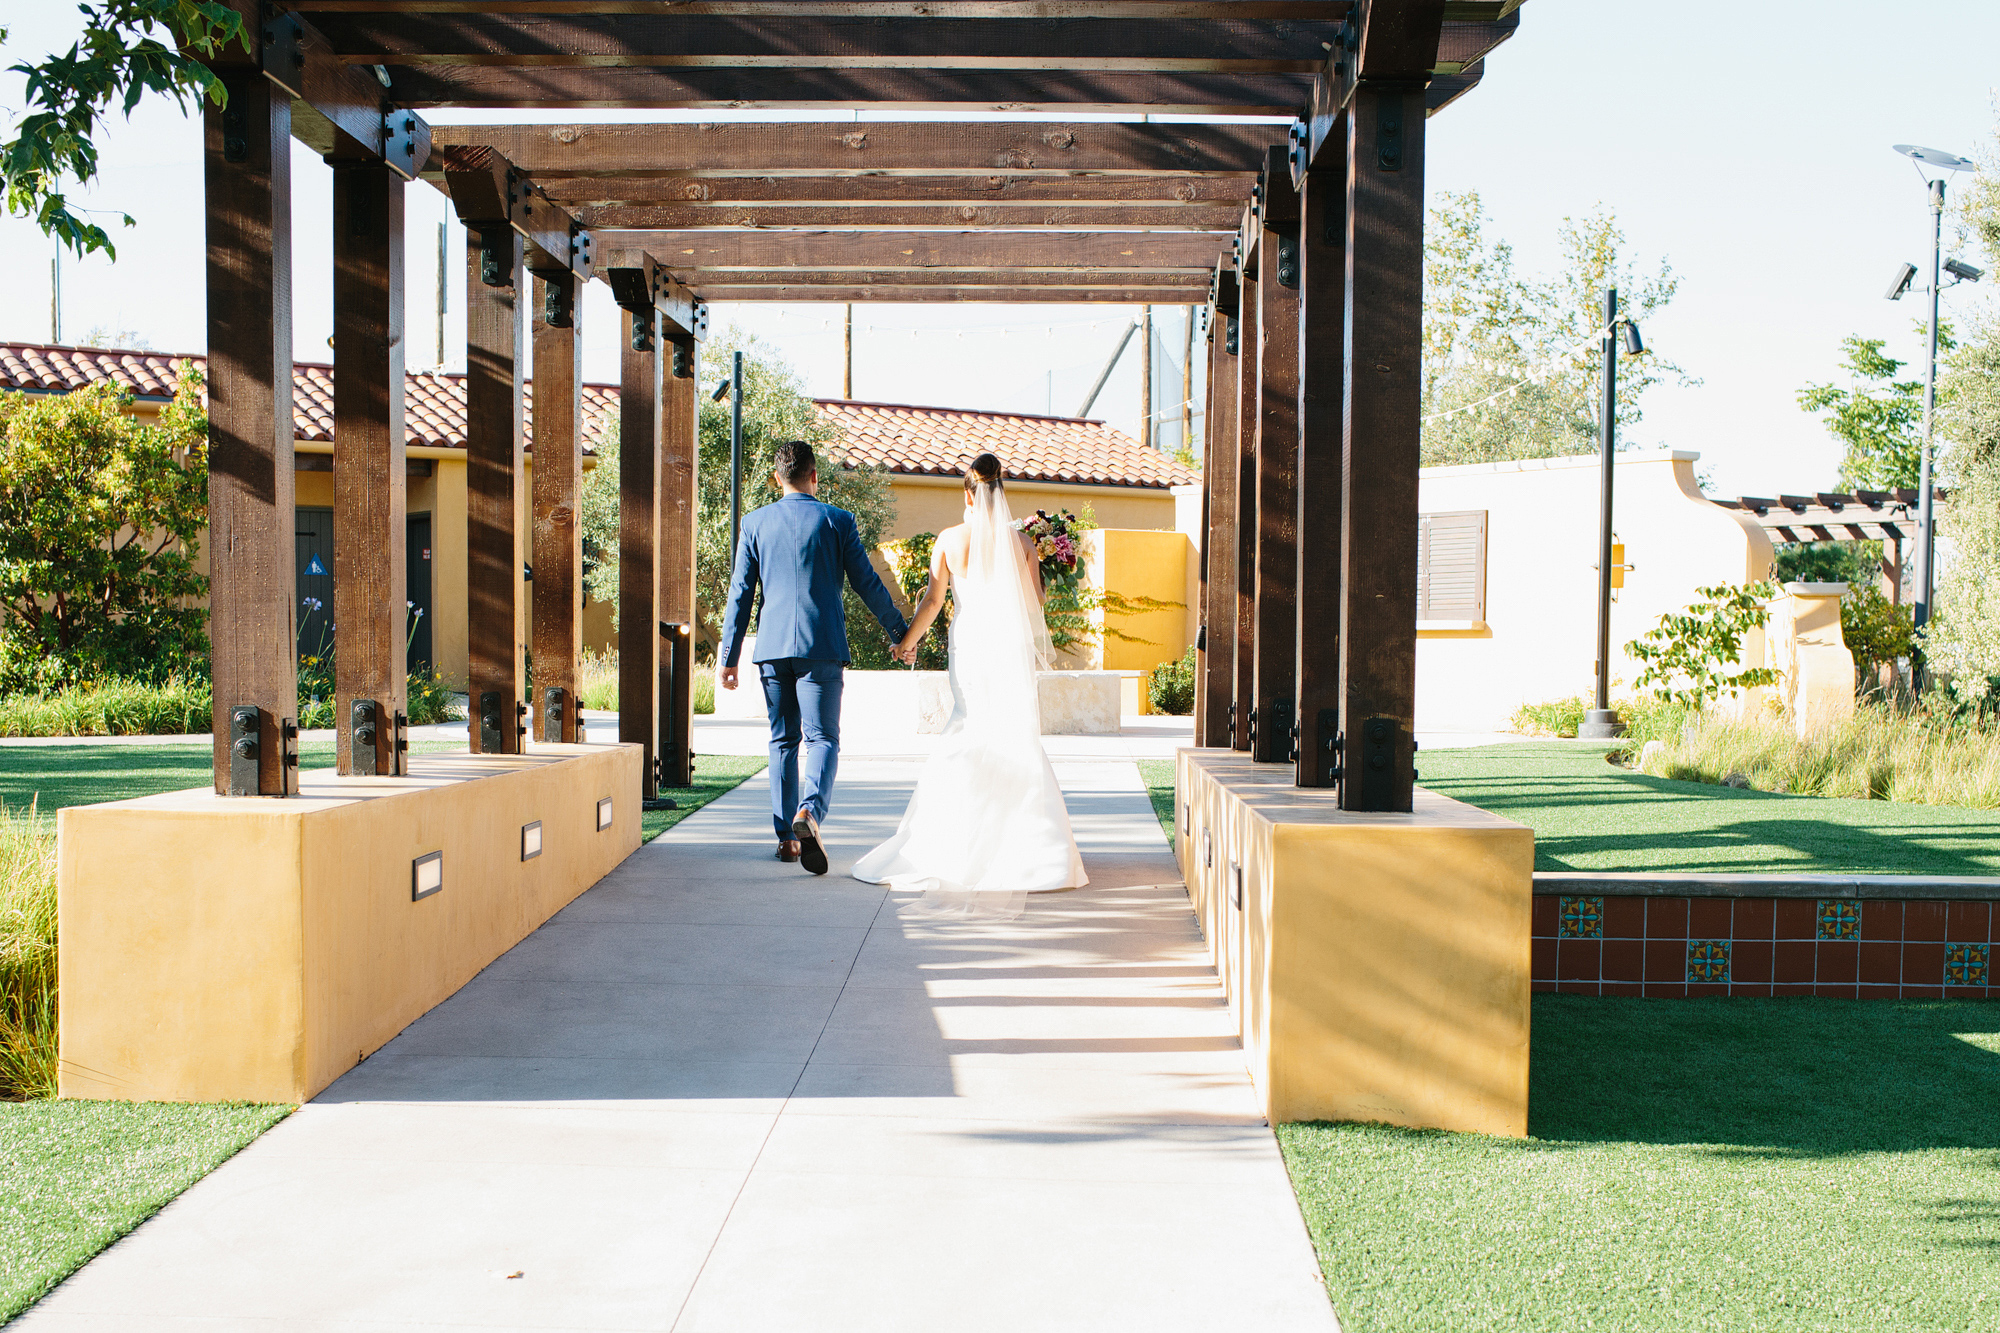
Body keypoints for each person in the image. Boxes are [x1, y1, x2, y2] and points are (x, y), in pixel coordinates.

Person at [852, 452, 1087, 914]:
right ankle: (1036, 854)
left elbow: (933, 602)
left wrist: (905, 642)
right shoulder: (1021, 543)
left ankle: (951, 843)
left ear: (968, 494)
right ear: (1001, 492)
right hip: (1008, 650)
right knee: (1012, 733)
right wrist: (1038, 561)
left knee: (968, 728)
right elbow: (1034, 602)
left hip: (971, 649)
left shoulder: (948, 540)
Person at [718, 440, 910, 874]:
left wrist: (729, 656)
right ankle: (809, 813)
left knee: (782, 740)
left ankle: (787, 840)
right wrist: (900, 633)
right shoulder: (837, 520)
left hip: (771, 650)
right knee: (822, 738)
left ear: (777, 477)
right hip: (821, 645)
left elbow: (740, 593)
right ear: (814, 476)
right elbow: (867, 583)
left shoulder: (754, 523)